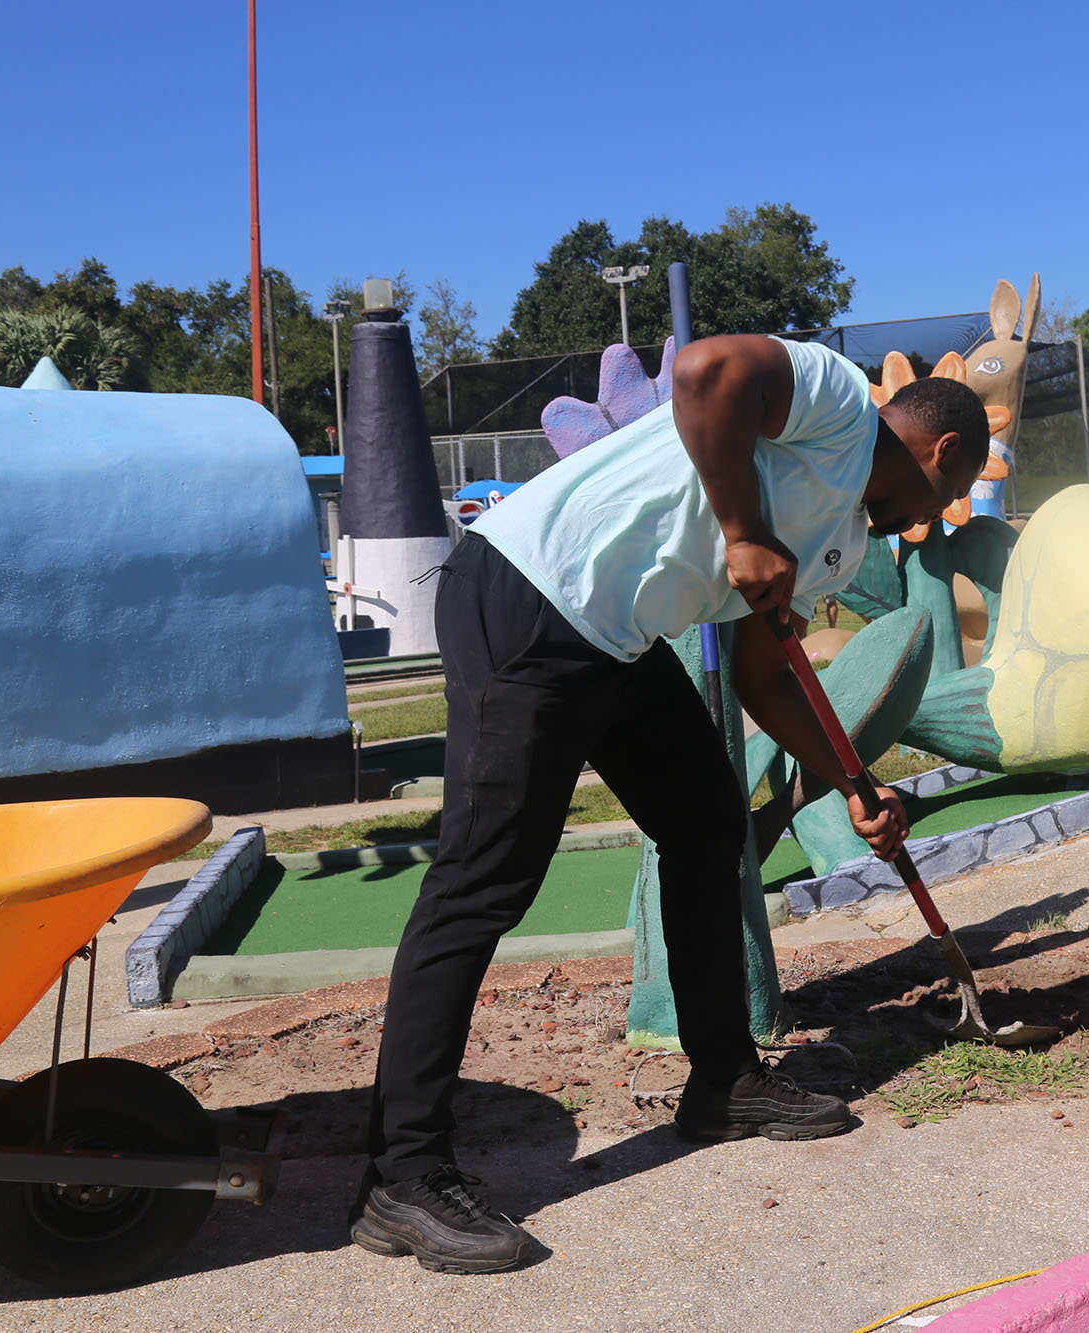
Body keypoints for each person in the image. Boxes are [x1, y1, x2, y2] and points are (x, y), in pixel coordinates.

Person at [350, 334, 989, 1273]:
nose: (929, 518)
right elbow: (704, 376)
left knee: (705, 821)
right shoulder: (832, 397)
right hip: (531, 588)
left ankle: (723, 1081)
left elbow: (771, 678)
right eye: (949, 492)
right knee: (482, 880)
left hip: (614, 637)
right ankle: (401, 1176)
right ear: (941, 456)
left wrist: (855, 781)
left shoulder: (842, 536)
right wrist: (741, 531)